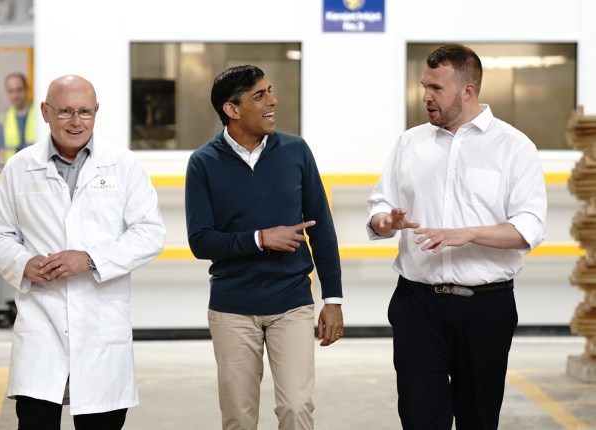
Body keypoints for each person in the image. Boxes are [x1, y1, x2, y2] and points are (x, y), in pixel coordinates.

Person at [366, 44, 547, 430]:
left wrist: (469, 234)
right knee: (419, 417)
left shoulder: (513, 147)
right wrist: (385, 221)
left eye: (436, 88)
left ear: (468, 91)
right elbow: (380, 203)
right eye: (423, 86)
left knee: (477, 420)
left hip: (485, 307)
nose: (426, 97)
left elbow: (529, 227)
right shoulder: (409, 143)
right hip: (418, 304)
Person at [0, 74, 166, 429]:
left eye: (85, 111)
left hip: (101, 327)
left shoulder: (122, 165)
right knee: (37, 420)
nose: (76, 121)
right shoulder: (19, 168)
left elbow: (150, 233)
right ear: (45, 112)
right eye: (65, 111)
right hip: (42, 324)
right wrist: (24, 264)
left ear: (97, 112)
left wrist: (90, 258)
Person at [185, 65, 344, 430]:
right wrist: (261, 238)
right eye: (260, 95)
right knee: (239, 419)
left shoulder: (296, 151)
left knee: (296, 408)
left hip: (291, 303)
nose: (273, 101)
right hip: (232, 310)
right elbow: (200, 240)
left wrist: (332, 299)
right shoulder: (203, 163)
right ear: (232, 109)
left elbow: (322, 228)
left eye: (270, 91)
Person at [0, 72, 36, 162]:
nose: (15, 95)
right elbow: (1, 151)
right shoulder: (4, 117)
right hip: (13, 170)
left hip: (36, 169)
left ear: (26, 89)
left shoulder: (39, 113)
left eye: (18, 90)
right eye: (10, 91)